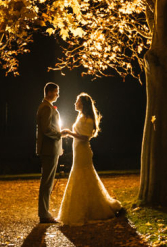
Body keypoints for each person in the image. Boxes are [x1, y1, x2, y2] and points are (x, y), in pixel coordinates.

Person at [56, 92, 123, 225]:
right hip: (78, 150)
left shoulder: (88, 119)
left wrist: (69, 132)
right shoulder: (81, 117)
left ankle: (91, 208)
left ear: (83, 104)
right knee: (82, 175)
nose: (75, 103)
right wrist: (68, 134)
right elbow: (79, 134)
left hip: (83, 151)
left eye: (78, 101)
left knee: (83, 175)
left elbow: (85, 137)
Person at [36, 82, 63, 224]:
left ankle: (44, 212)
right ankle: (44, 214)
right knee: (47, 182)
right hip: (49, 148)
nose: (58, 95)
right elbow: (46, 129)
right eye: (56, 92)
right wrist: (59, 134)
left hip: (51, 148)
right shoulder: (46, 108)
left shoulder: (47, 107)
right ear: (49, 92)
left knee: (48, 181)